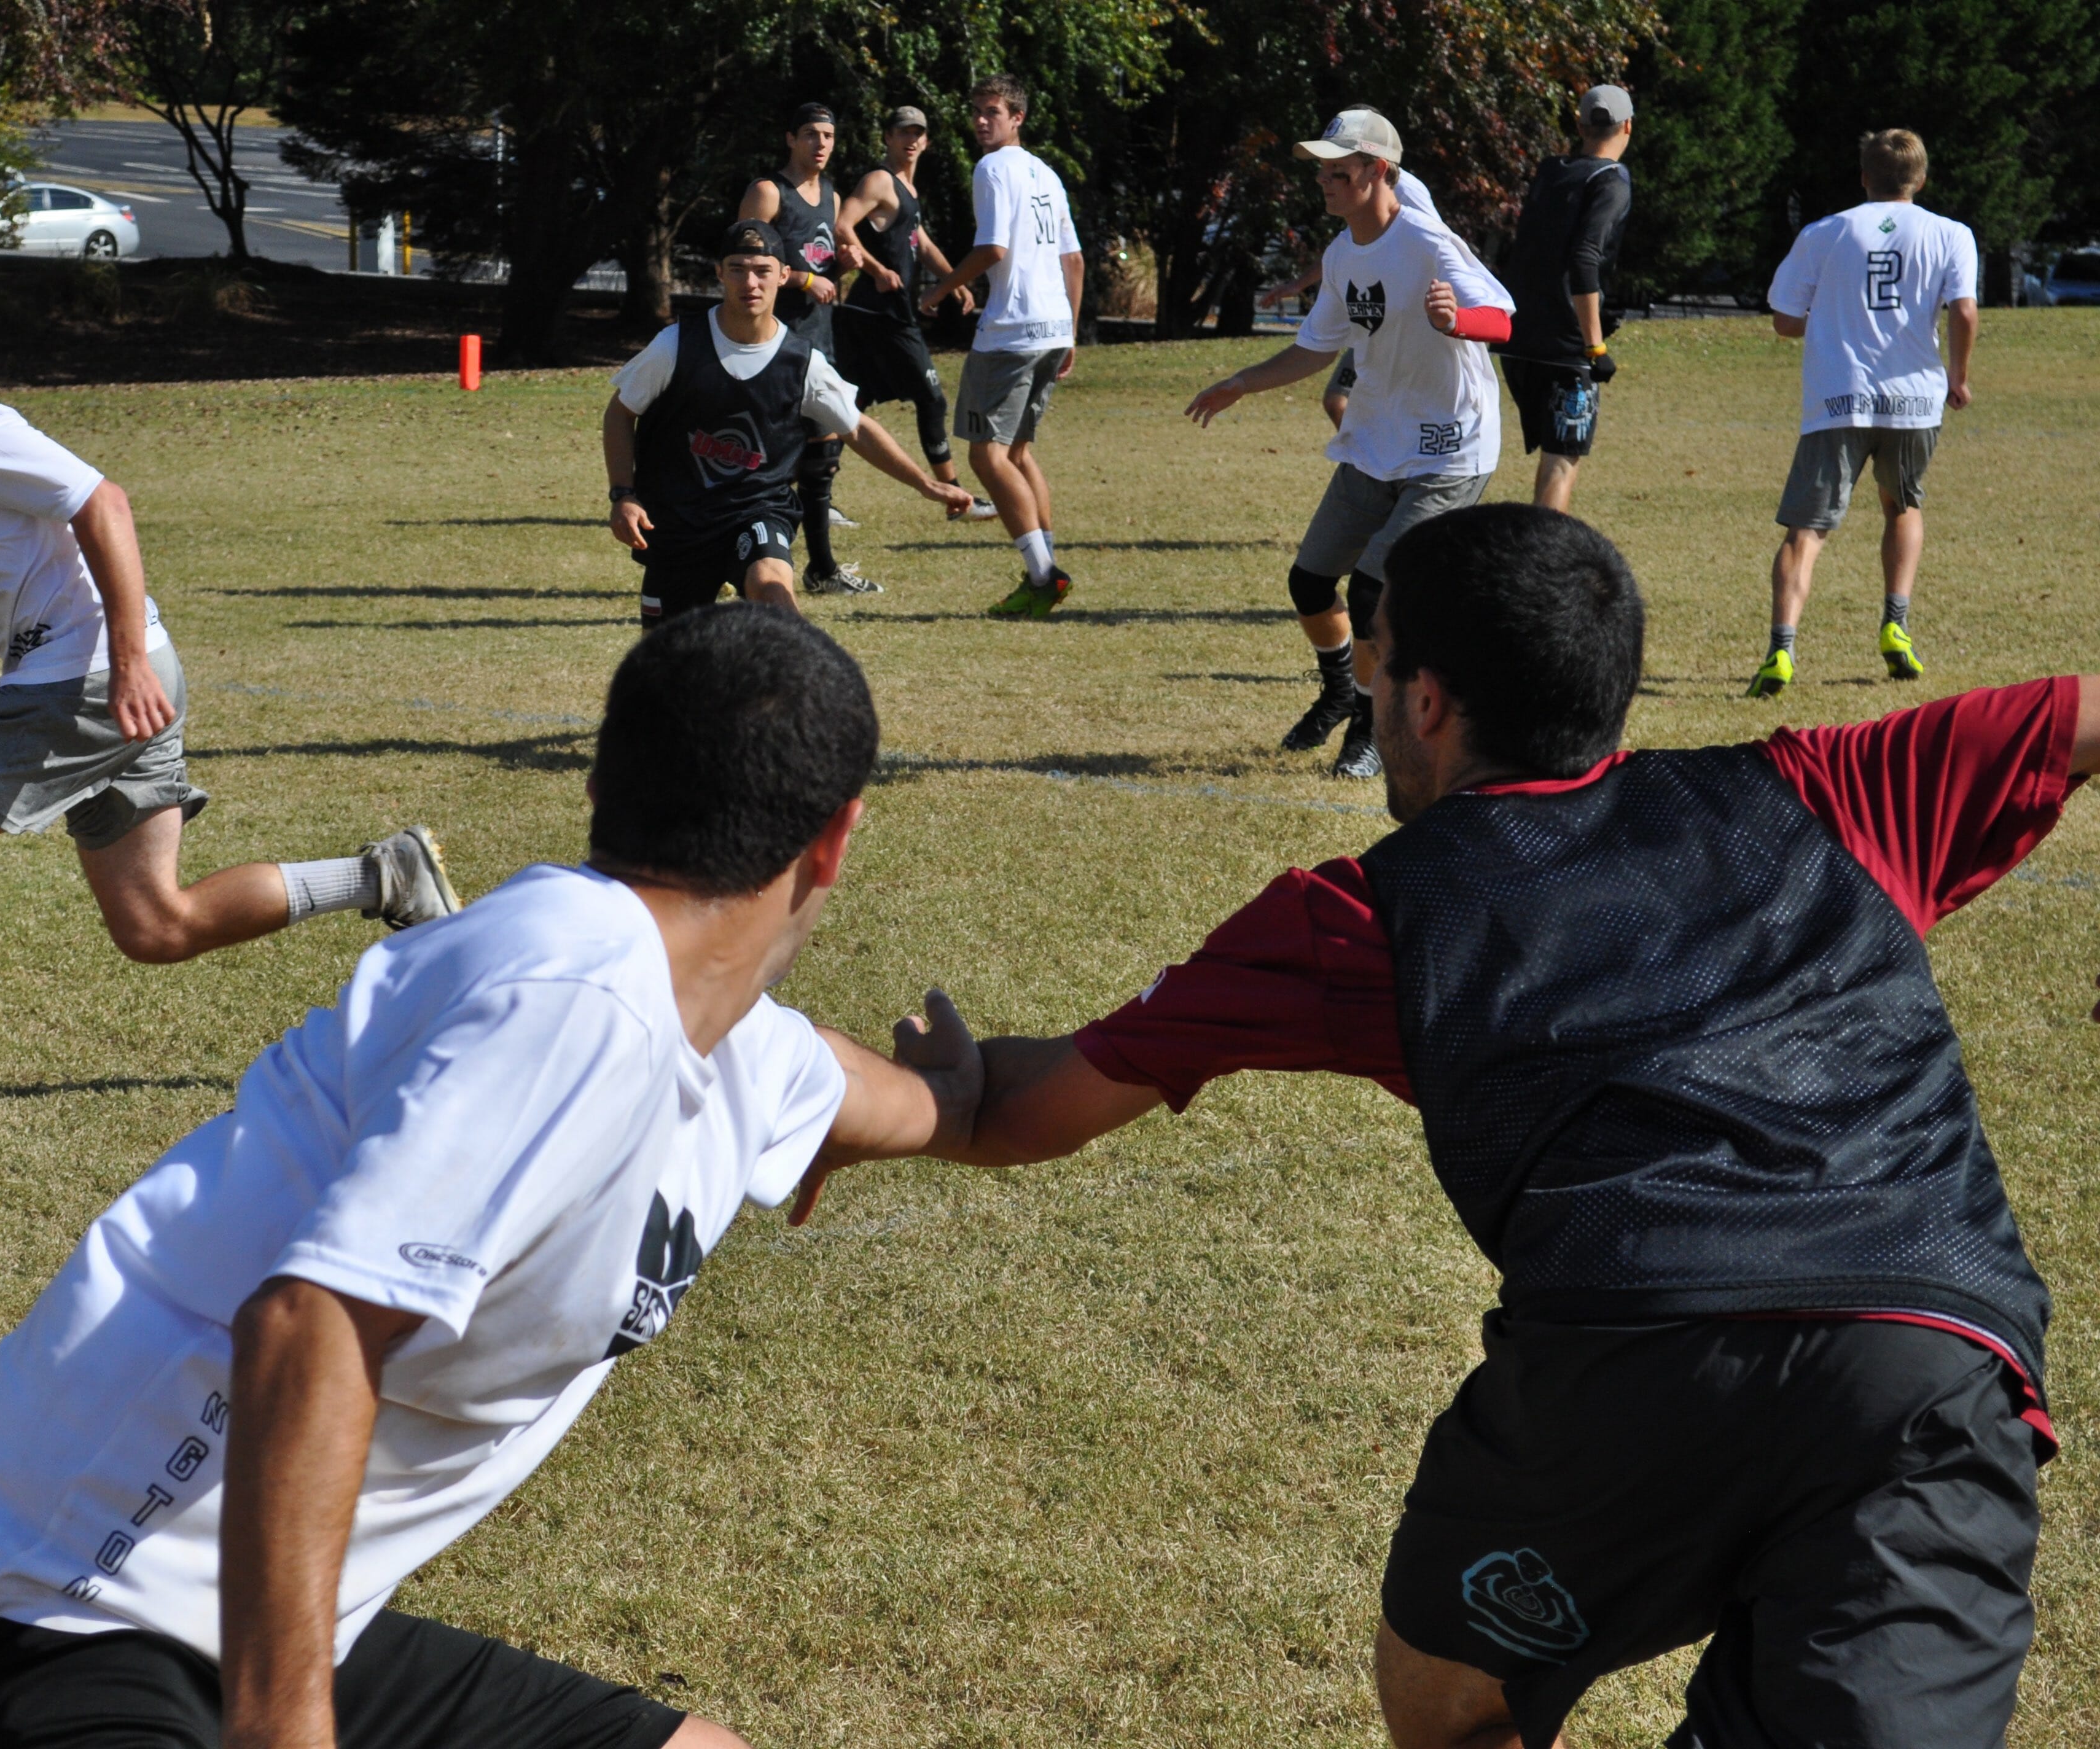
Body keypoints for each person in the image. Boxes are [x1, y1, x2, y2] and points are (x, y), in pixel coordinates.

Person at [811, 503, 2085, 1749]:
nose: (1369, 698)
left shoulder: (1364, 915)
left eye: (1371, 672)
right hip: (1937, 1349)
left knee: (1450, 1693)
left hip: (1633, 1353)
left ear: (1426, 701)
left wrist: (913, 1091)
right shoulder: (1825, 789)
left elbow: (1033, 1110)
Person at [0, 606, 957, 1749]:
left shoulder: (739, 1044)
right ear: (835, 839)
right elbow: (308, 1322)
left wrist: (1153, 1042)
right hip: (44, 1611)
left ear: (602, 783)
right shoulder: (578, 988)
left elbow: (969, 1106)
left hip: (242, 1616)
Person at [0, 247, 457, 1140]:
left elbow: (102, 501)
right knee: (156, 924)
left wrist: (125, 662)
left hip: (85, 679)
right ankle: (383, 876)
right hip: (104, 678)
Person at [1184, 109, 1512, 780]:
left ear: (1377, 173)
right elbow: (1315, 347)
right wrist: (1241, 383)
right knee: (1309, 581)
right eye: (1323, 172)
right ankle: (1342, 690)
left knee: (1372, 592)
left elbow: (1503, 318)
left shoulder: (1424, 241)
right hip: (1376, 441)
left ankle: (1370, 725)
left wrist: (1460, 319)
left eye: (1339, 172)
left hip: (1448, 447)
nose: (1324, 184)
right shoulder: (1341, 255)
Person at [604, 220, 972, 629]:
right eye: (738, 268)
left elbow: (857, 427)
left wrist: (926, 483)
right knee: (669, 663)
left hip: (758, 509)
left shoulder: (803, 363)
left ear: (783, 276)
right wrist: (623, 495)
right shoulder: (676, 345)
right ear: (719, 273)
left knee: (773, 589)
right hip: (678, 519)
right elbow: (621, 412)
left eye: (763, 271)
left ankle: (801, 680)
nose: (751, 282)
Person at [1749, 127, 1977, 698]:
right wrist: (1960, 376)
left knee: (1806, 530)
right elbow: (1965, 312)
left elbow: (1783, 319)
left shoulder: (1826, 232)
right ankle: (1896, 625)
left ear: (1863, 178)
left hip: (1838, 398)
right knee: (1902, 507)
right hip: (1914, 399)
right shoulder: (1950, 234)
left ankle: (1782, 650)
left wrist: (1830, 317)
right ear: (1920, 180)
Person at [918, 74, 1085, 620]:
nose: (982, 121)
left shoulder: (992, 169)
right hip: (1051, 325)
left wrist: (940, 289)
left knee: (986, 454)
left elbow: (992, 247)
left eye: (994, 112)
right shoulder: (1048, 173)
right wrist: (1070, 331)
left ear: (1018, 118)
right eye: (978, 112)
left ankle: (1043, 575)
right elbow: (1074, 261)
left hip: (1011, 330)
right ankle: (1045, 571)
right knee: (1017, 453)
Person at [832, 104, 997, 520]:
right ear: (887, 137)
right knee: (931, 398)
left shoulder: (908, 190)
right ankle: (957, 497)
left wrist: (954, 282)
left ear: (926, 141)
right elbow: (842, 225)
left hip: (878, 315)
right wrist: (876, 269)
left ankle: (815, 493)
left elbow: (921, 244)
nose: (911, 140)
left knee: (849, 404)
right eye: (903, 132)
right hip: (878, 314)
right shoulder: (880, 180)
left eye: (918, 133)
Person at [740, 103, 872, 595]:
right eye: (812, 135)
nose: (822, 145)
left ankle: (821, 570)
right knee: (758, 461)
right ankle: (739, 563)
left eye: (830, 137)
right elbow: (748, 261)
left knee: (822, 458)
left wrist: (844, 265)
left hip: (819, 340)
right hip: (771, 344)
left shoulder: (832, 197)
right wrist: (807, 278)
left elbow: (822, 274)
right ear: (791, 138)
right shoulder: (769, 192)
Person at [1252, 112, 1440, 432]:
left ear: (1374, 166)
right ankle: (1368, 454)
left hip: (1404, 324)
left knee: (1344, 400)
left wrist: (1448, 316)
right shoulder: (1351, 219)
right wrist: (1297, 285)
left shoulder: (1402, 191)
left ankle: (1379, 454)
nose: (1323, 177)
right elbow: (1350, 253)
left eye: (1338, 165)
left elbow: (1436, 250)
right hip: (1372, 315)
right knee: (1338, 401)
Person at [1497, 84, 1634, 513]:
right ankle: (1542, 565)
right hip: (1568, 350)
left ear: (1579, 125)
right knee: (1561, 460)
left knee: (1553, 455)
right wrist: (1595, 346)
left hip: (1519, 342)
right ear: (1628, 126)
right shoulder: (1611, 180)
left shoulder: (1550, 170)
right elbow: (1585, 260)